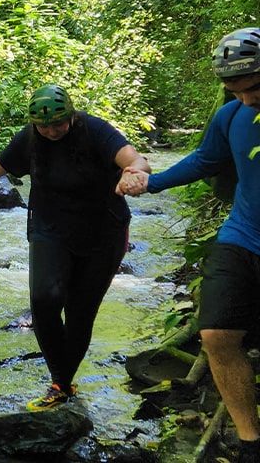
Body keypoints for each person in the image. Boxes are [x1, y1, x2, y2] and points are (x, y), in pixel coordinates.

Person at [0, 85, 150, 411]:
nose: (52, 131)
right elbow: (0, 164)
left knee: (80, 311)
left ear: (71, 115)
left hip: (104, 232)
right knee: (44, 300)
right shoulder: (30, 137)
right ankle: (61, 380)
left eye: (59, 123)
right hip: (49, 228)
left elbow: (133, 158)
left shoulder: (94, 130)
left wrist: (135, 173)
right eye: (44, 126)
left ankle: (61, 385)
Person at [118, 28, 260, 463]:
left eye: (253, 89)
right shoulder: (234, 115)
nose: (246, 100)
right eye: (235, 92)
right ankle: (250, 441)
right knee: (216, 334)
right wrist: (151, 182)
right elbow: (205, 159)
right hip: (242, 235)